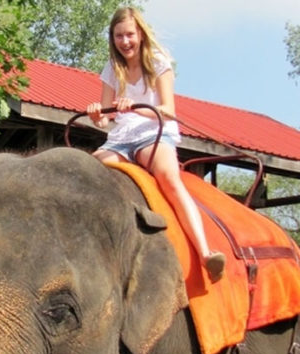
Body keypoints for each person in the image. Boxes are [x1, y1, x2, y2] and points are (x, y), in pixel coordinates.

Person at [87, 6, 225, 282]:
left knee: (168, 178)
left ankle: (206, 253)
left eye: (129, 35)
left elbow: (169, 109)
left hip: (153, 132)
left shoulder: (158, 62)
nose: (124, 42)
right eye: (118, 36)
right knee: (87, 171)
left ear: (140, 33)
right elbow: (105, 119)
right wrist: (95, 116)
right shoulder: (112, 69)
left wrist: (135, 108)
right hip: (121, 139)